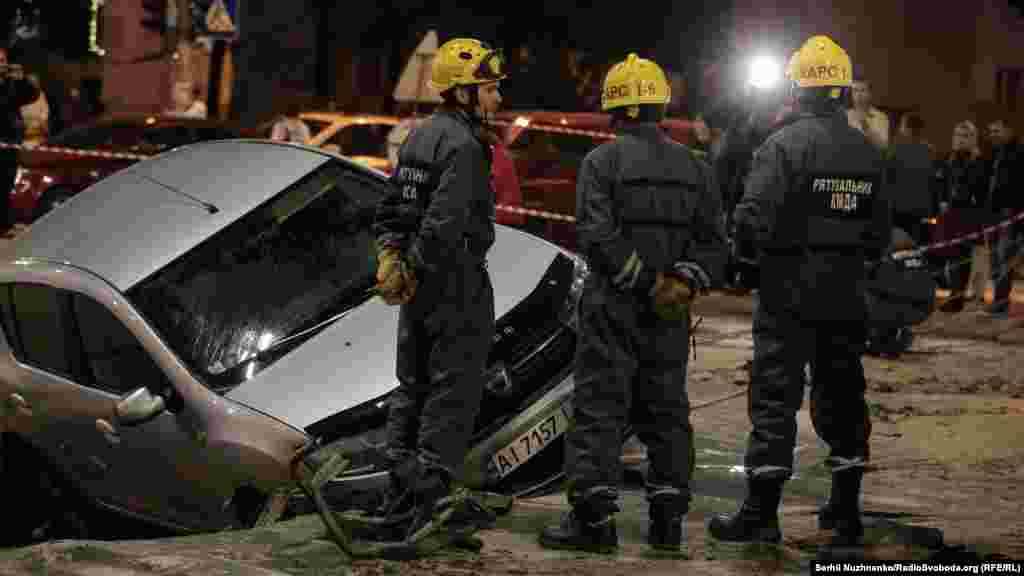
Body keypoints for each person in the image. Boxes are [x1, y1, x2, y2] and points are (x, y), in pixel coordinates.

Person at [706, 35, 891, 555]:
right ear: (843, 91)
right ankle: (846, 512)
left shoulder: (782, 146)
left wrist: (744, 261)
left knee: (774, 400)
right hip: (847, 295)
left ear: (797, 90)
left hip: (787, 293)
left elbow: (751, 219)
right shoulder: (867, 150)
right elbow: (880, 232)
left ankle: (761, 515)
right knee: (844, 396)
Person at [538, 53, 727, 555]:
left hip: (612, 308)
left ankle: (593, 523)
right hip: (670, 314)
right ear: (661, 106)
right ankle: (667, 524)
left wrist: (645, 283)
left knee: (600, 410)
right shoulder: (696, 166)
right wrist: (679, 284)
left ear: (614, 108)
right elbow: (714, 243)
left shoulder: (601, 163)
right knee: (666, 412)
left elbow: (597, 236)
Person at [372, 37, 504, 540]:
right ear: (464, 93)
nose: (496, 98)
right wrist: (416, 264)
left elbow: (392, 209)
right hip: (455, 284)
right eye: (489, 89)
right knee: (451, 395)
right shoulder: (466, 147)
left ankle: (397, 497)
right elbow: (443, 225)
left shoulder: (418, 137)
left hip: (418, 289)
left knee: (412, 389)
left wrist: (393, 258)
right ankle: (427, 507)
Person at [934, 121, 987, 313]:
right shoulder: (948, 158)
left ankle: (957, 298)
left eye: (965, 136)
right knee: (948, 256)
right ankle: (954, 295)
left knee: (961, 258)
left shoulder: (978, 161)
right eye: (957, 135)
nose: (959, 139)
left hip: (967, 216)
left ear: (973, 139)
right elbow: (940, 182)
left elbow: (979, 190)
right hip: (948, 215)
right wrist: (941, 200)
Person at [985, 118, 1022, 317]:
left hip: (1010, 214)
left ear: (1009, 130)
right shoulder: (994, 154)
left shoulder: (1019, 153)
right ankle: (998, 301)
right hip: (992, 214)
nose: (993, 135)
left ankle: (1001, 303)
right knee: (994, 260)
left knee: (1004, 257)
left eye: (997, 131)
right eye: (991, 131)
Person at [0, 45, 40, 232]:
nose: (2, 65)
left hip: (9, 144)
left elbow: (32, 95)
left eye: (3, 60)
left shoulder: (12, 83)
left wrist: (22, 80)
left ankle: (4, 224)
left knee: (6, 183)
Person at [886, 112, 934, 244]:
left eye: (901, 125)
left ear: (906, 128)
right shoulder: (929, 151)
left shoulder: (894, 150)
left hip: (900, 211)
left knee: (900, 248)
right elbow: (933, 184)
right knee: (922, 246)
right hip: (924, 212)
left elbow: (886, 180)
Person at [847, 75, 890, 150]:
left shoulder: (881, 117)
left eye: (863, 90)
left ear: (870, 94)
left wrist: (865, 126)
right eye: (855, 90)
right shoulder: (845, 116)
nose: (859, 95)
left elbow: (883, 147)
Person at [19, 73, 49, 144]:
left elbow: (45, 124)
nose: (34, 85)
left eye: (36, 83)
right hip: (23, 139)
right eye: (31, 83)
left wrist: (41, 126)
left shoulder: (43, 97)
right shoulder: (19, 98)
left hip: (39, 139)